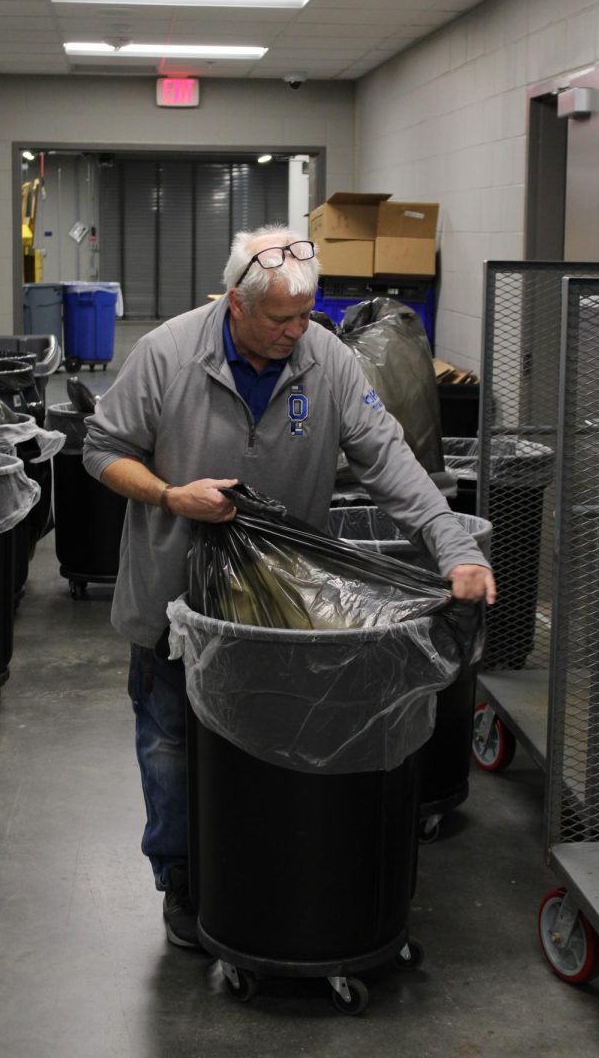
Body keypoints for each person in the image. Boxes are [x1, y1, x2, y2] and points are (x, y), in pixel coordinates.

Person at [82, 224, 495, 949]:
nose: (296, 332)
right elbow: (102, 449)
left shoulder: (326, 360)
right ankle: (180, 878)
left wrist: (454, 546)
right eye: (280, 320)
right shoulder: (168, 354)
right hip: (176, 600)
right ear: (235, 304)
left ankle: (258, 873)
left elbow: (389, 460)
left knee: (271, 748)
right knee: (172, 743)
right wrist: (173, 496)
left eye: (305, 316)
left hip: (279, 610)